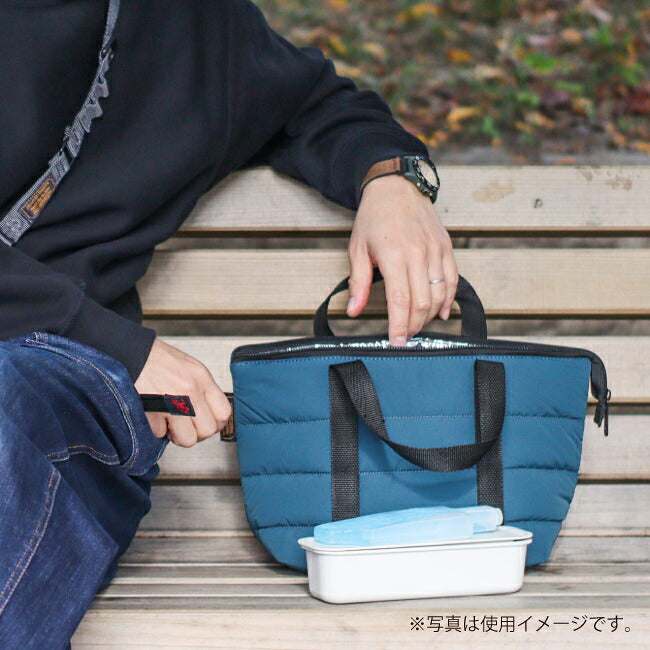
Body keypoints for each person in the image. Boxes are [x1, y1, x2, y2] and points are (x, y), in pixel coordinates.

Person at [0, 0, 459, 646]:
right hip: (88, 349)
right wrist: (119, 346)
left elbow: (314, 104)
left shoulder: (198, 24)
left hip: (56, 384)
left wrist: (393, 182)